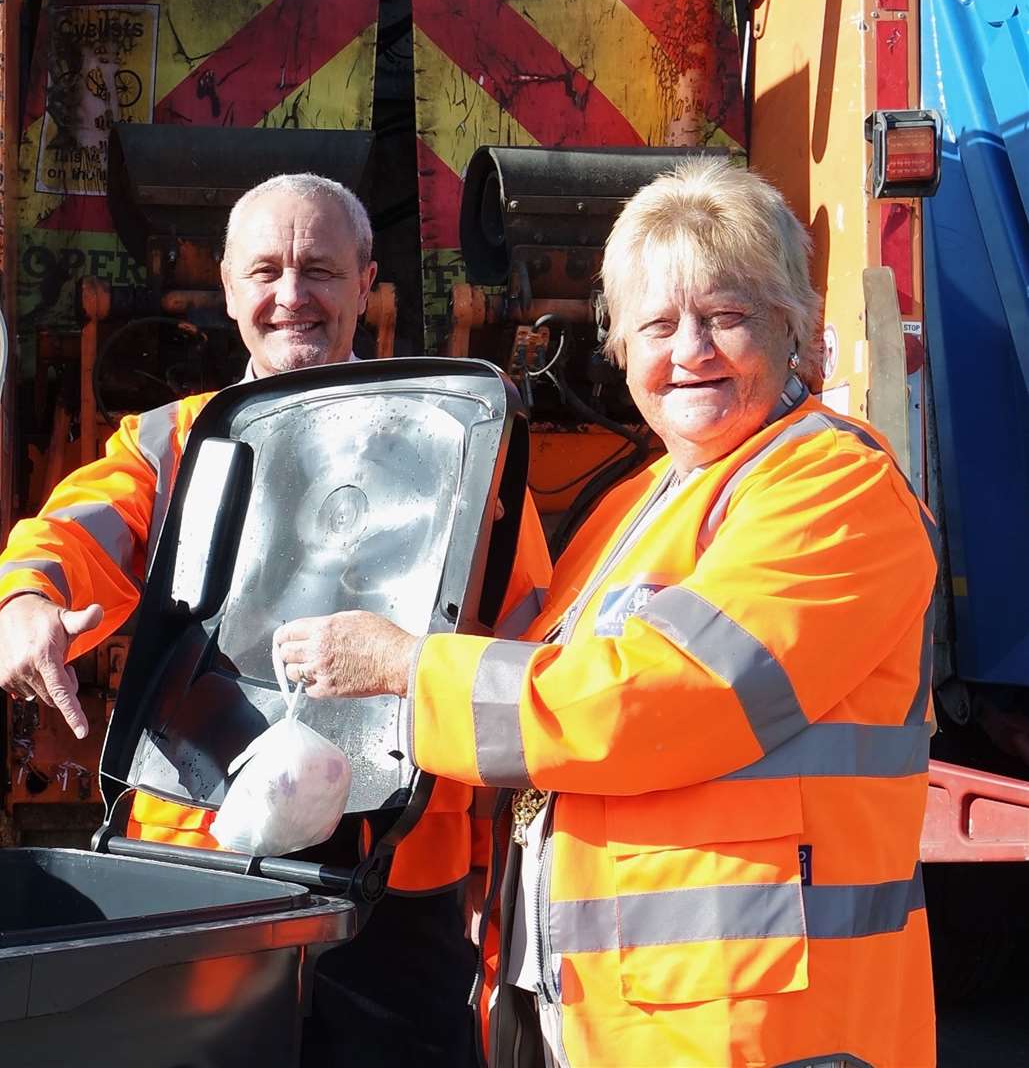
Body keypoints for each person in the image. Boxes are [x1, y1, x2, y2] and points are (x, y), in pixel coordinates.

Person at [277, 159, 937, 1066]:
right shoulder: (639, 503)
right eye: (657, 325)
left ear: (794, 328)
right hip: (625, 1014)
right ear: (618, 349)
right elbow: (532, 689)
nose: (690, 350)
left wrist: (406, 666)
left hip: (759, 1028)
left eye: (727, 316)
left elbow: (663, 696)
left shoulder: (833, 487)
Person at [0, 173, 552, 1065]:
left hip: (398, 871)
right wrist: (25, 600)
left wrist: (495, 868)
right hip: (202, 866)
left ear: (367, 284)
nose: (292, 296)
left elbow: (521, 642)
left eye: (319, 269)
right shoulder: (174, 440)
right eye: (266, 270)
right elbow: (73, 530)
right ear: (230, 290)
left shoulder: (457, 443)